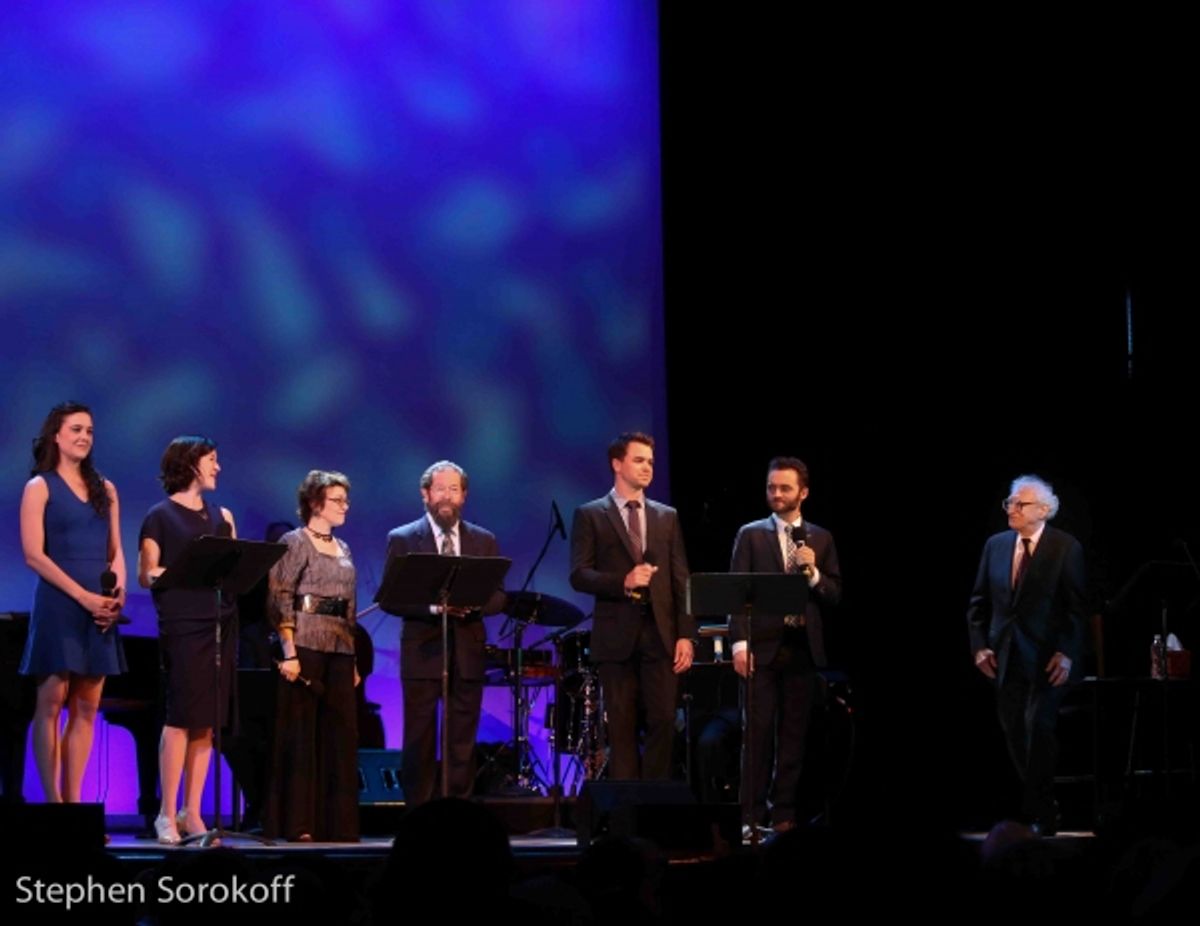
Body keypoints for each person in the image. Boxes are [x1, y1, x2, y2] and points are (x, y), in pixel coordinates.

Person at [569, 431, 694, 780]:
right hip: (616, 637)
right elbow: (579, 574)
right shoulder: (591, 514)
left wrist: (686, 634)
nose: (647, 468)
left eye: (651, 462)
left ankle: (653, 807)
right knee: (621, 730)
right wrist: (621, 581)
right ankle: (626, 817)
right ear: (617, 464)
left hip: (661, 635)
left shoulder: (666, 517)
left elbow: (681, 578)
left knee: (665, 721)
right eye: (639, 460)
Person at [19, 401, 126, 803]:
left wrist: (117, 591)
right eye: (76, 429)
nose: (84, 437)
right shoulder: (40, 487)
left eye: (90, 431)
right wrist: (82, 596)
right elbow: (33, 555)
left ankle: (74, 804)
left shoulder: (106, 488)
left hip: (100, 608)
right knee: (51, 701)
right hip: (61, 603)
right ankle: (53, 806)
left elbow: (115, 549)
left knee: (87, 707)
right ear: (56, 436)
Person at [382, 461, 506, 805]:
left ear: (464, 496)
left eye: (454, 489)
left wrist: (475, 605)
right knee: (419, 739)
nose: (447, 497)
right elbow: (390, 598)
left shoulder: (483, 540)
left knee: (462, 741)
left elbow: (499, 596)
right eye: (440, 489)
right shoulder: (404, 539)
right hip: (423, 652)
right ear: (425, 494)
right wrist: (435, 609)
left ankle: (457, 815)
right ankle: (418, 818)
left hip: (466, 652)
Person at [967, 474, 1085, 836]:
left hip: (1048, 659)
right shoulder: (996, 545)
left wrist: (1066, 652)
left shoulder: (1065, 547)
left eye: (1021, 504)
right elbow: (978, 603)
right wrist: (979, 646)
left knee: (1039, 727)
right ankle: (1040, 805)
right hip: (1004, 655)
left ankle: (1042, 810)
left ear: (1044, 511)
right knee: (1014, 730)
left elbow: (1077, 608)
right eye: (1010, 502)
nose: (1012, 509)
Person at [729, 456, 841, 832]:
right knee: (757, 736)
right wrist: (739, 645)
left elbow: (834, 594)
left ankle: (783, 815)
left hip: (803, 648)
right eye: (771, 487)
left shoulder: (820, 538)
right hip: (761, 647)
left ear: (803, 493)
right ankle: (750, 816)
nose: (776, 494)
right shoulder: (751, 534)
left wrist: (813, 575)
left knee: (793, 737)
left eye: (785, 488)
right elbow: (735, 593)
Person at [138, 436, 237, 844]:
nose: (218, 467)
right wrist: (185, 570)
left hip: (218, 622)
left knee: (207, 723)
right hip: (182, 623)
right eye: (212, 460)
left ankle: (192, 811)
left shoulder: (222, 516)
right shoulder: (159, 516)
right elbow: (147, 574)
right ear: (191, 463)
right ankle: (166, 813)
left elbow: (236, 569)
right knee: (180, 716)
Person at [264, 470, 359, 842]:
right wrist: (288, 652)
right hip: (304, 645)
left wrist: (351, 658)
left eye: (345, 500)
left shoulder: (345, 548)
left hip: (339, 648)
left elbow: (350, 607)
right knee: (300, 736)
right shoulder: (294, 542)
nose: (345, 506)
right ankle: (298, 823)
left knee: (340, 737)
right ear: (315, 503)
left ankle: (338, 824)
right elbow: (280, 596)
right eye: (337, 500)